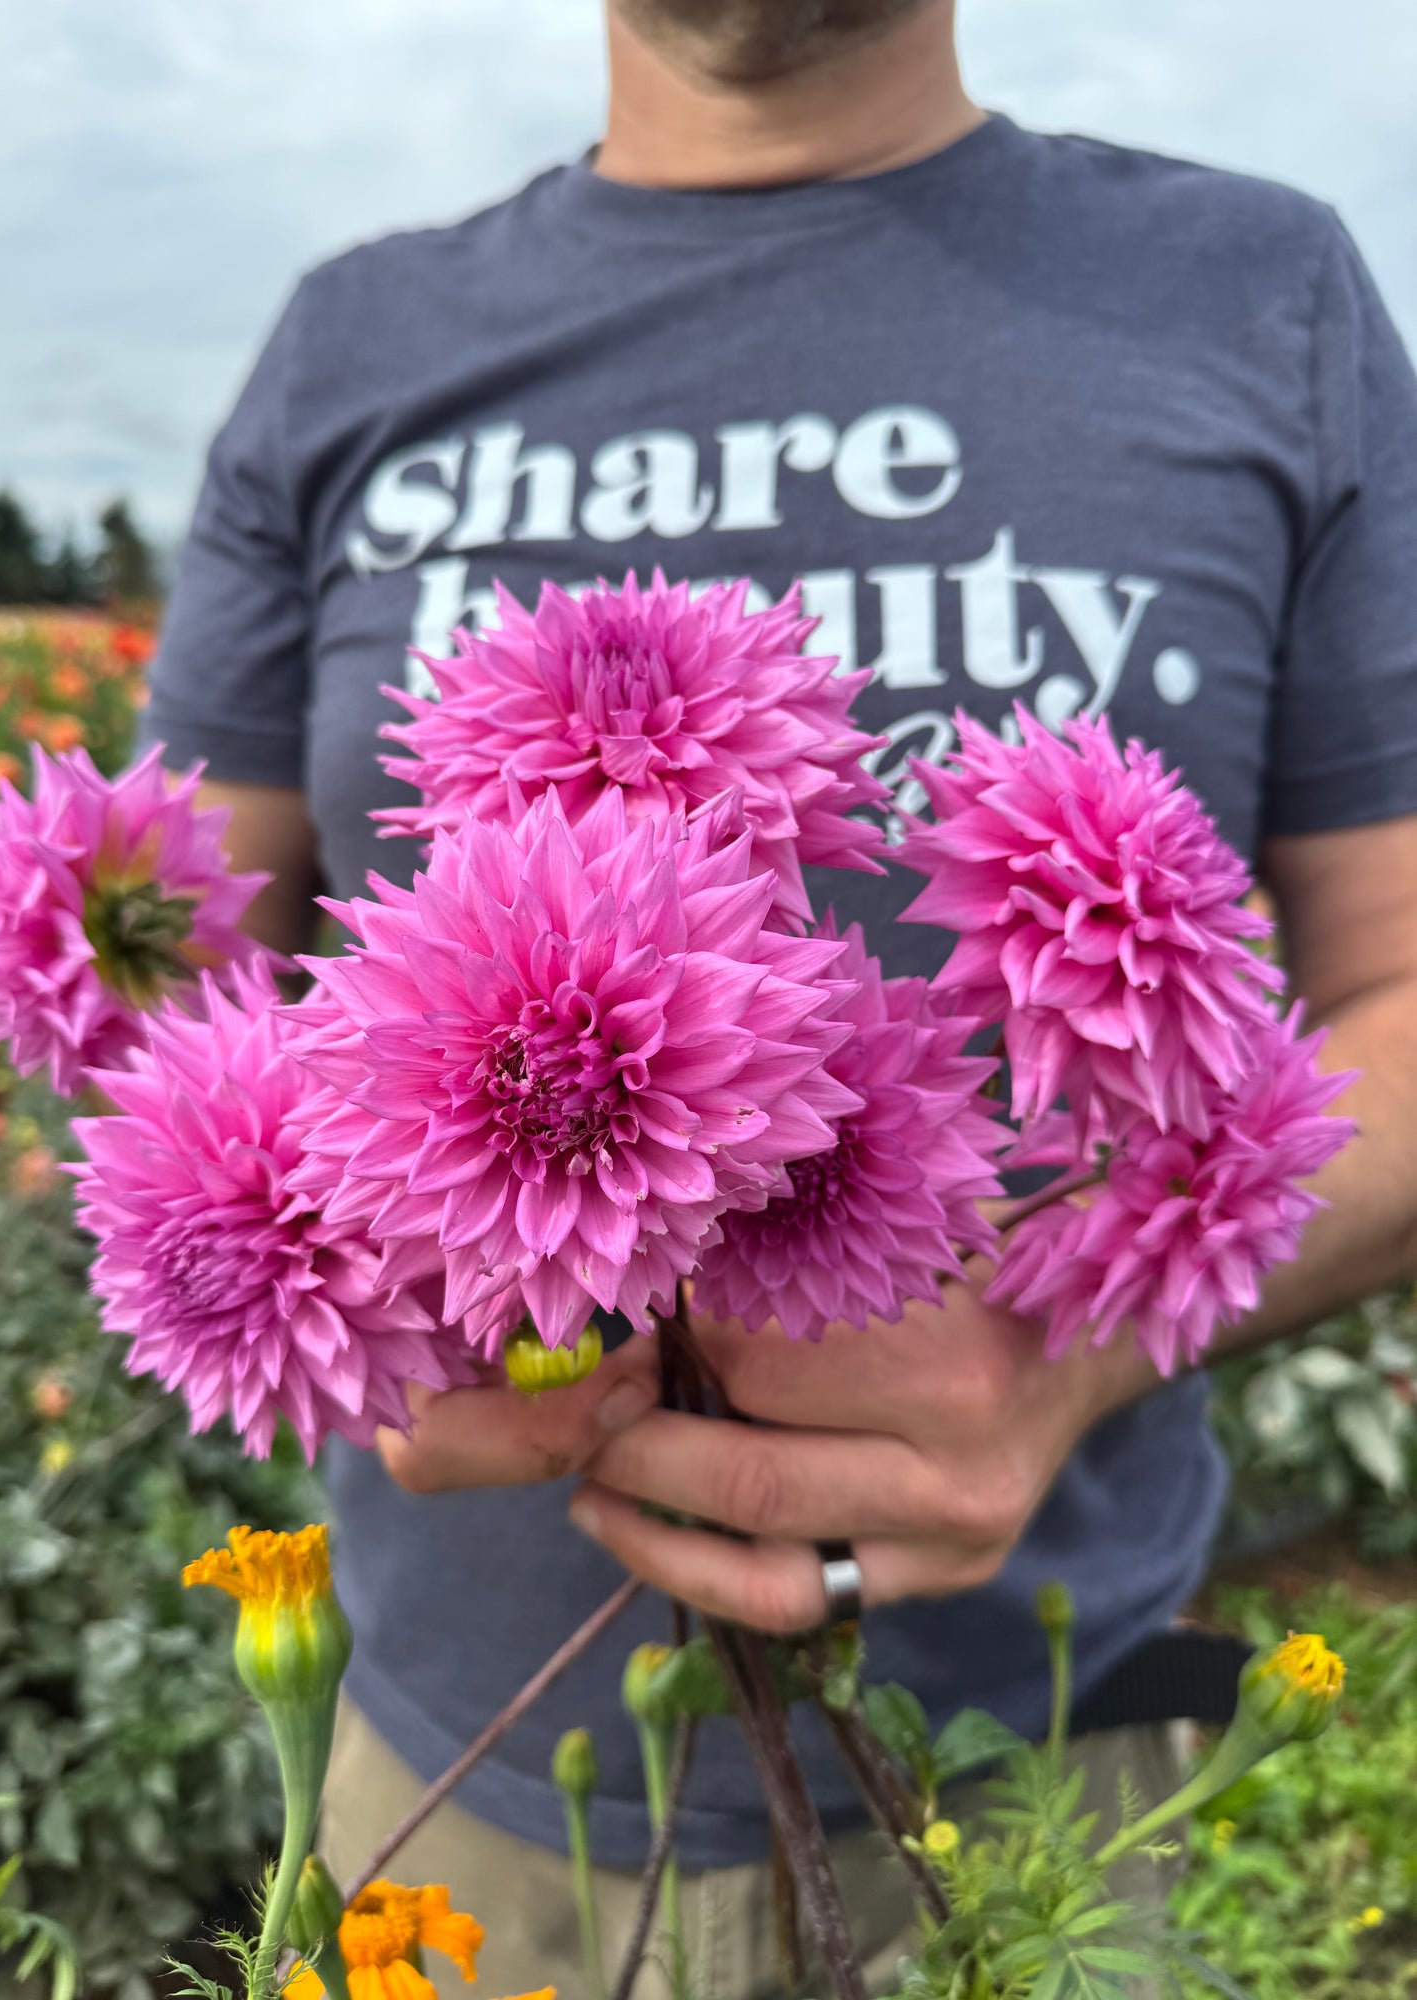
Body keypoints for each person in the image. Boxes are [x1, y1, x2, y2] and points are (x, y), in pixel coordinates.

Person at [145, 0, 1417, 1989]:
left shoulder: (1268, 296)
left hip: (1033, 1771)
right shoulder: (347, 345)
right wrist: (350, 1277)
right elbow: (168, 973)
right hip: (463, 1811)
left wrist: (1062, 1353)